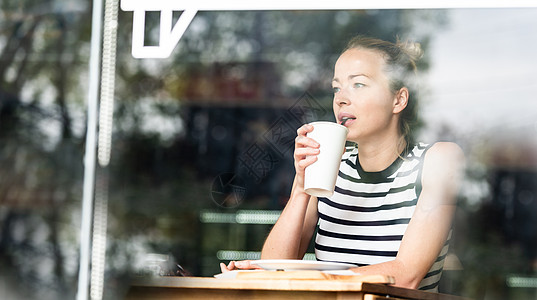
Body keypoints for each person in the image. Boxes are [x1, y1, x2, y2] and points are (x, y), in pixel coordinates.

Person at [220, 35, 465, 292]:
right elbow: (275, 268)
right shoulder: (329, 167)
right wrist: (302, 187)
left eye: (358, 85)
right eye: (337, 88)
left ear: (399, 100)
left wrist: (308, 279)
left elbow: (405, 275)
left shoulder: (438, 160)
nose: (341, 99)